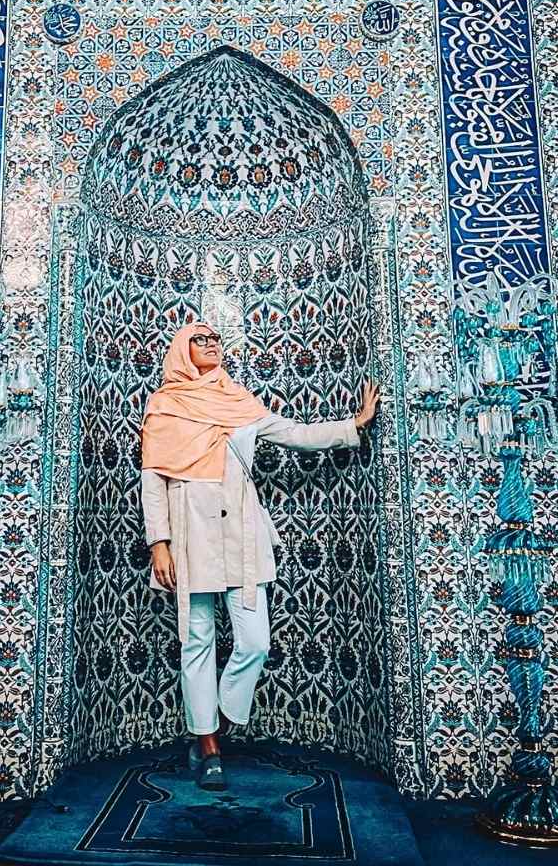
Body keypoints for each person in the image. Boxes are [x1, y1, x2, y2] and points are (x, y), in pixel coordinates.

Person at [140, 321, 380, 791]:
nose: (211, 346)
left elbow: (294, 433)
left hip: (242, 534)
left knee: (255, 642)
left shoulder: (239, 401)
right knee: (197, 641)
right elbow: (154, 480)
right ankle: (208, 747)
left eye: (215, 339)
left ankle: (220, 719)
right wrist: (159, 545)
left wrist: (352, 425)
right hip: (190, 534)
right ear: (182, 351)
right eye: (200, 340)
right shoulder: (166, 406)